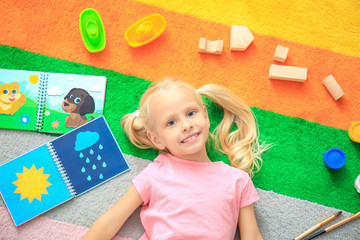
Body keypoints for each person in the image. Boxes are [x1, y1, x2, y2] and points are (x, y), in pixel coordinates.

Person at [84, 78, 267, 240]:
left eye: (191, 113)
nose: (186, 125)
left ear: (206, 115)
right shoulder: (155, 174)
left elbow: (251, 236)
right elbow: (111, 220)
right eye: (171, 122)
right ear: (157, 139)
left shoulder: (238, 181)